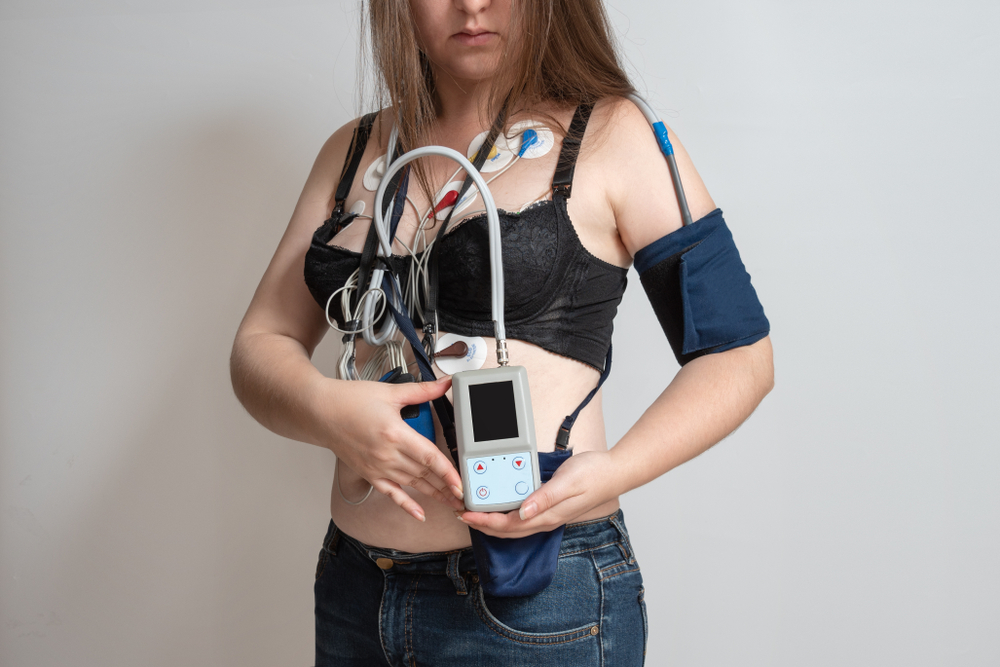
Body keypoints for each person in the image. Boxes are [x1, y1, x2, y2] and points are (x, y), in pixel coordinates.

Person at [230, 0, 774, 664]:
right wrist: (324, 408)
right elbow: (260, 343)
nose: (471, 4)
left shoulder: (615, 134)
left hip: (539, 600)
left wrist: (614, 470)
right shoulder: (354, 149)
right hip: (358, 589)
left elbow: (740, 352)